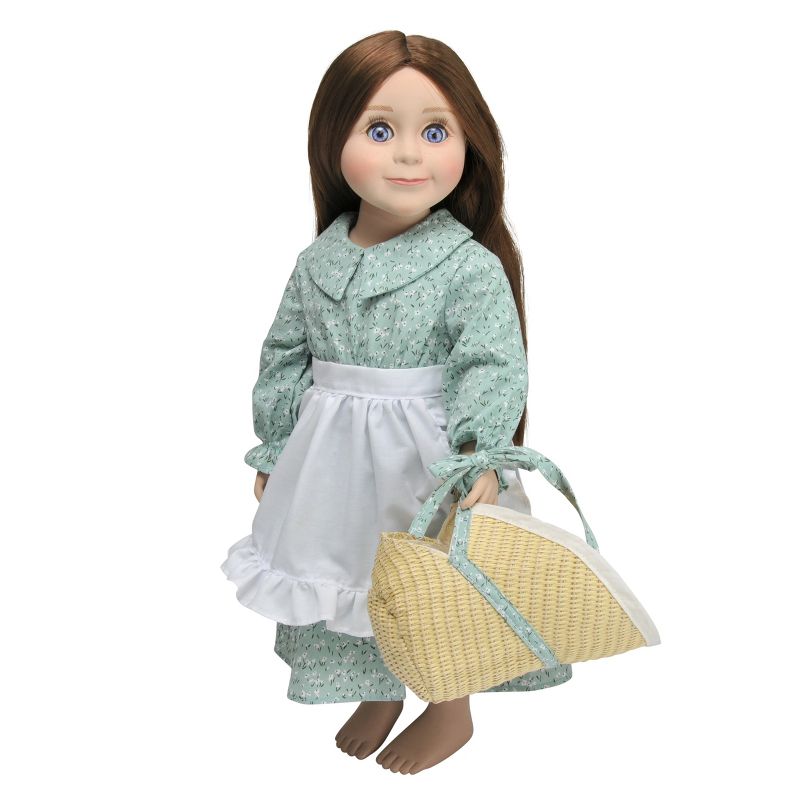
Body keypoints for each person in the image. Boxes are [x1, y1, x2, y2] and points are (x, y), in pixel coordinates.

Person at [220, 31, 572, 775]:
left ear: (469, 144)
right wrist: (275, 446)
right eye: (379, 131)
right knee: (346, 569)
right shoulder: (318, 261)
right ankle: (376, 688)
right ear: (332, 141)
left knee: (435, 578)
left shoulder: (466, 266)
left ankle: (449, 706)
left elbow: (491, 361)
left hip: (428, 458)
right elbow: (284, 354)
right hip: (331, 460)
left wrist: (481, 451)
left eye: (435, 132)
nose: (409, 154)